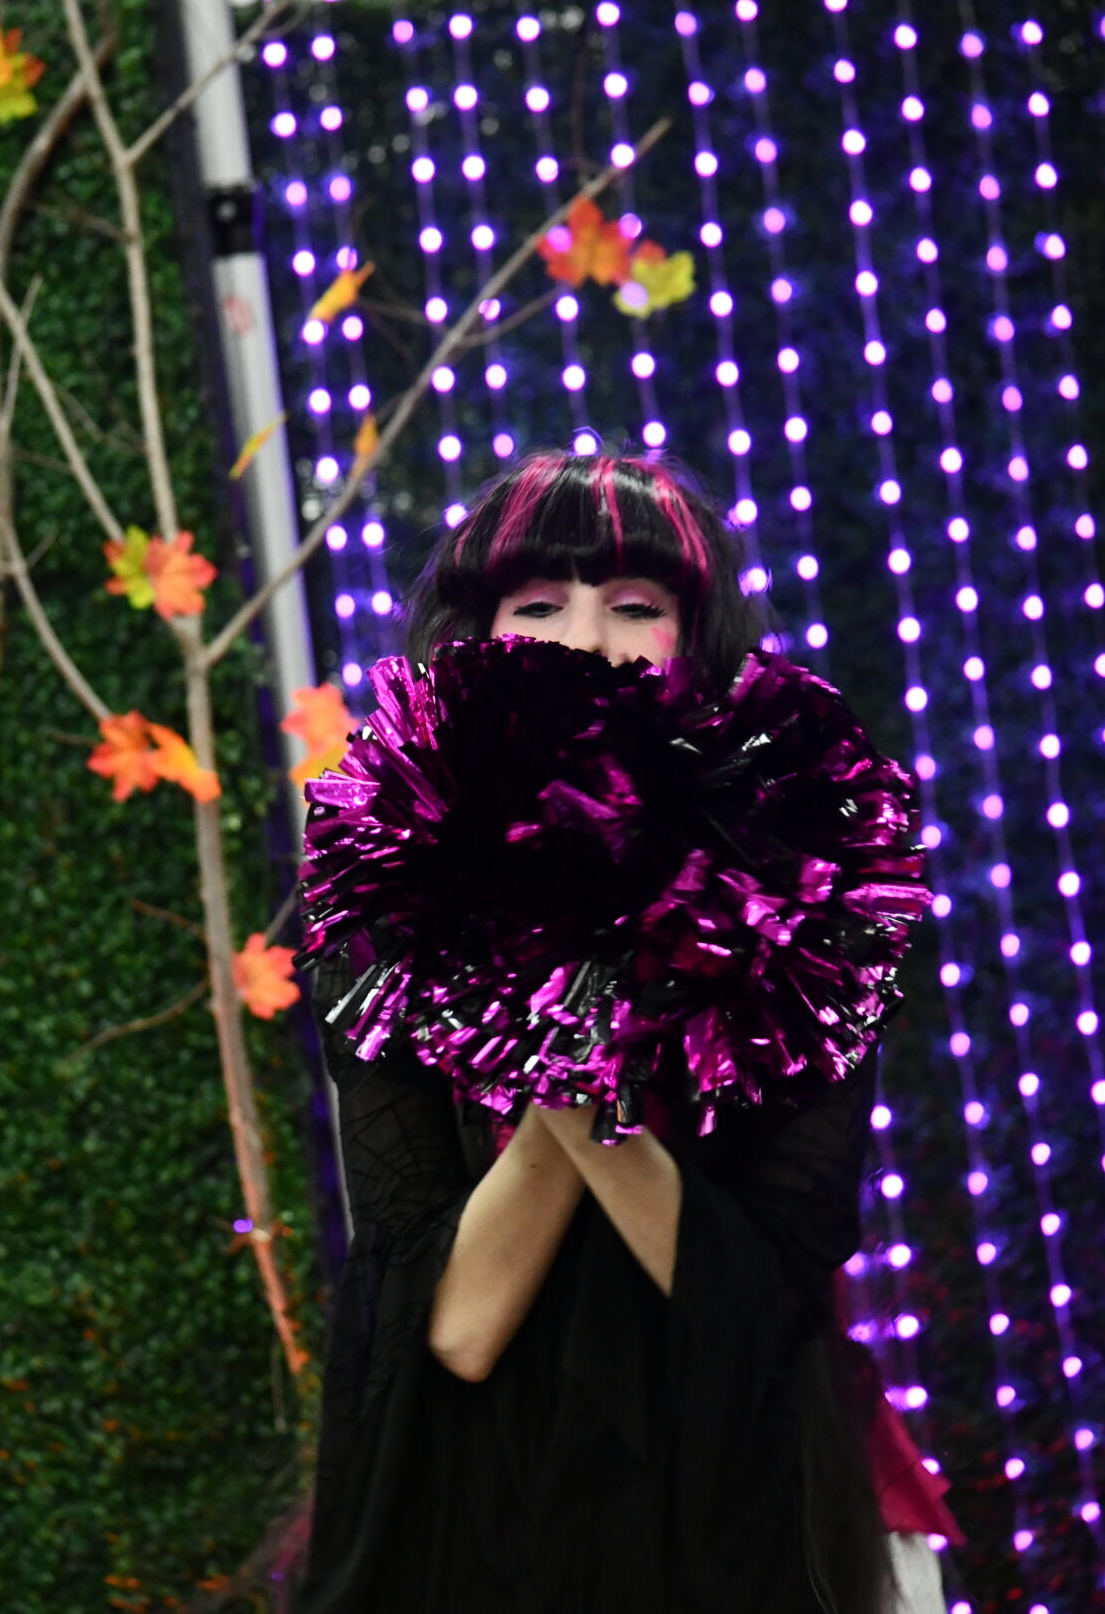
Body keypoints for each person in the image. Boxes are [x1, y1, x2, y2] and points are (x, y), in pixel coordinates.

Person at [301, 450, 901, 1614]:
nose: (584, 641)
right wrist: (541, 1026)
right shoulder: (389, 900)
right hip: (479, 1513)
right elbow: (452, 1330)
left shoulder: (802, 891)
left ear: (694, 639)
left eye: (633, 607)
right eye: (538, 605)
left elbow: (762, 1312)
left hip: (727, 1505)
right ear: (476, 637)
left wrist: (603, 1015)